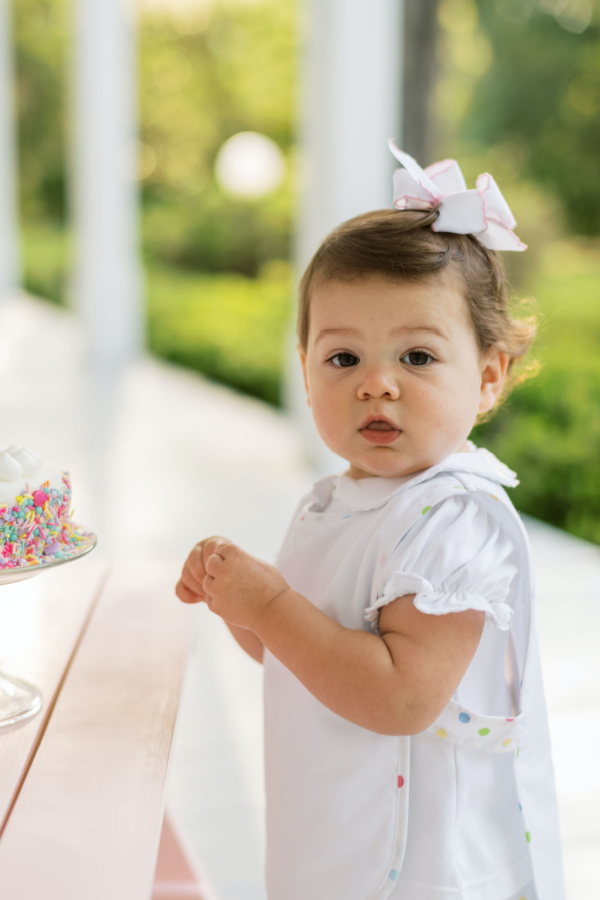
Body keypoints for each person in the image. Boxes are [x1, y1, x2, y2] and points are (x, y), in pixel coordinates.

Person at [176, 144, 565, 900]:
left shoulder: (456, 520)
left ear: (488, 378)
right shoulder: (331, 503)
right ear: (304, 365)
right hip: (339, 826)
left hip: (429, 863)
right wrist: (238, 607)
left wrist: (268, 605)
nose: (376, 385)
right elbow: (307, 657)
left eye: (417, 357)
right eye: (342, 358)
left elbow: (398, 696)